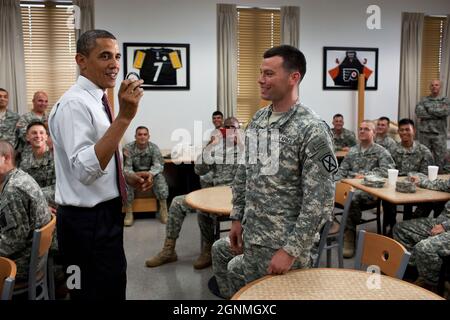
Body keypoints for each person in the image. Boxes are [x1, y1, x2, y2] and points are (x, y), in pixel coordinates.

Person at [211, 45, 337, 299]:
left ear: (294, 78)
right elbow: (245, 173)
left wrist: (290, 250)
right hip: (253, 235)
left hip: (284, 247)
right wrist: (236, 218)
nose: (260, 79)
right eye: (260, 72)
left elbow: (320, 201)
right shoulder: (258, 119)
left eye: (269, 74)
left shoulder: (312, 129)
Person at [48, 29, 151, 300]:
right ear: (81, 60)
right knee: (89, 292)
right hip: (85, 224)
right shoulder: (74, 104)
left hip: (103, 217)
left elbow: (96, 155)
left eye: (117, 56)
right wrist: (125, 118)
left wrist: (123, 176)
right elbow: (83, 170)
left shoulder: (98, 100)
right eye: (105, 56)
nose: (115, 64)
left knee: (111, 287)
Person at [145, 117, 242, 270]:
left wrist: (241, 145)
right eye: (227, 127)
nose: (230, 131)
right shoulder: (216, 149)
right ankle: (169, 250)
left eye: (234, 128)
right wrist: (210, 147)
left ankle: (207, 248)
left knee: (204, 210)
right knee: (177, 202)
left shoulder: (247, 149)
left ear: (239, 130)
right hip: (216, 194)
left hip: (237, 197)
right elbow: (199, 170)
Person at [334, 120, 395, 257]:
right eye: (360, 128)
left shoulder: (380, 151)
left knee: (352, 197)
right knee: (327, 191)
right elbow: (342, 171)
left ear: (373, 133)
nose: (362, 131)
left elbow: (388, 170)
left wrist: (366, 176)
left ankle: (349, 235)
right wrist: (335, 185)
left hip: (369, 191)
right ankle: (332, 227)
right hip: (350, 187)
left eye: (366, 129)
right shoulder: (353, 151)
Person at [0, 140, 51, 283]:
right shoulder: (18, 176)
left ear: (7, 158)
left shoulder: (13, 190)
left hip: (21, 265)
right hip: (31, 256)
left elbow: (13, 243)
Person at [393, 175, 450, 293]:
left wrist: (445, 226)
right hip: (443, 221)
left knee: (424, 248)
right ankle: (419, 272)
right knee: (401, 229)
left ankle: (432, 286)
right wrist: (421, 181)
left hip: (446, 226)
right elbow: (443, 185)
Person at [382, 118, 434, 231]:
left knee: (430, 201)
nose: (404, 133)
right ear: (398, 132)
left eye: (407, 129)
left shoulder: (424, 151)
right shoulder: (392, 150)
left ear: (413, 131)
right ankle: (393, 226)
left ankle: (412, 224)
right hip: (396, 188)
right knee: (385, 199)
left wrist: (414, 180)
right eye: (401, 130)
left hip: (418, 188)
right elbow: (387, 169)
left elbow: (426, 174)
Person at [123, 126, 169, 226]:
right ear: (135, 136)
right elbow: (127, 168)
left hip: (150, 174)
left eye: (145, 134)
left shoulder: (154, 148)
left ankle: (163, 210)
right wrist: (134, 176)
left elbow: (158, 165)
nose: (142, 137)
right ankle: (129, 212)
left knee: (160, 178)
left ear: (148, 136)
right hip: (135, 174)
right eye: (139, 134)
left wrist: (150, 174)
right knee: (126, 180)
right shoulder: (128, 148)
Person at [18, 121, 57, 211]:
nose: (38, 136)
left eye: (41, 133)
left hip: (55, 208)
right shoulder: (25, 162)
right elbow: (21, 187)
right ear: (27, 137)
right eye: (34, 133)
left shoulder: (56, 158)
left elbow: (59, 188)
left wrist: (33, 196)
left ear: (46, 137)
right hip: (34, 207)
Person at [415, 79, 449, 171]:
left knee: (440, 160)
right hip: (425, 134)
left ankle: (439, 179)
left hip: (439, 134)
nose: (434, 86)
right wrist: (437, 114)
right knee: (424, 157)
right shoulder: (423, 100)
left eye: (436, 85)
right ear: (430, 87)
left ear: (440, 87)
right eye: (432, 85)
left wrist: (428, 109)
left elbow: (444, 112)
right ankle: (424, 178)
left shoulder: (445, 100)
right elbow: (419, 113)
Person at [15, 91, 49, 156]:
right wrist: (44, 127)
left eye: (46, 101)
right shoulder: (25, 118)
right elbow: (24, 137)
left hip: (47, 156)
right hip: (29, 157)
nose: (43, 103)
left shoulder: (50, 118)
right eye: (40, 101)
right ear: (33, 101)